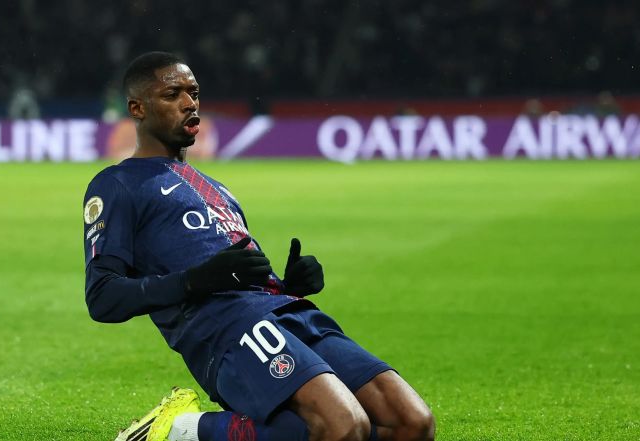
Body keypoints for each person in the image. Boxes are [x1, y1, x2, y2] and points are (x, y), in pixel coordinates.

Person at [83, 51, 435, 441]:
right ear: (137, 108)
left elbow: (237, 275)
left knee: (411, 423)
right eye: (172, 95)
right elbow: (103, 297)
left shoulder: (218, 190)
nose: (189, 103)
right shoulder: (118, 184)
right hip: (227, 330)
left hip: (290, 313)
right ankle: (179, 430)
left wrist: (289, 285)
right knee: (342, 426)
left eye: (193, 93)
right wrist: (195, 281)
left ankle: (187, 430)